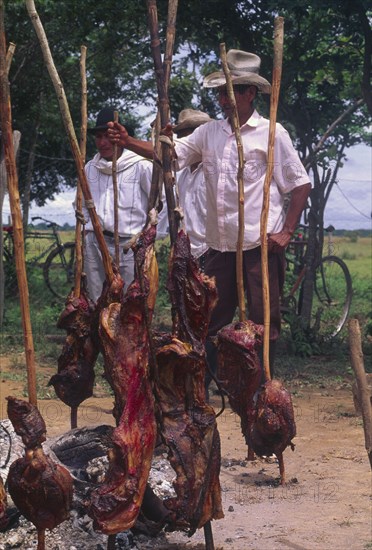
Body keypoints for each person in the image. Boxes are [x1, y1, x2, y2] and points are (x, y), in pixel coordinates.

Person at [106, 49, 311, 384]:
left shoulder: (272, 133)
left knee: (262, 322)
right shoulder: (209, 133)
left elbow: (300, 184)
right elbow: (169, 156)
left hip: (259, 246)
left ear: (249, 94)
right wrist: (128, 141)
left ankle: (260, 388)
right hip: (219, 247)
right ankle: (205, 385)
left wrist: (287, 230)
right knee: (210, 319)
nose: (222, 100)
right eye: (219, 93)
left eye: (228, 93)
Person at [82, 106, 168, 302]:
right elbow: (81, 205)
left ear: (119, 138)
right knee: (98, 300)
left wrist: (149, 238)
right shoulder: (90, 168)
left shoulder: (141, 166)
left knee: (130, 302)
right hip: (97, 243)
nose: (103, 142)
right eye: (99, 137)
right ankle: (98, 333)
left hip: (130, 245)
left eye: (108, 136)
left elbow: (161, 203)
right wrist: (86, 233)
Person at [173, 108, 212, 265]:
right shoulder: (181, 175)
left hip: (211, 251)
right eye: (183, 138)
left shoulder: (215, 171)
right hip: (186, 251)